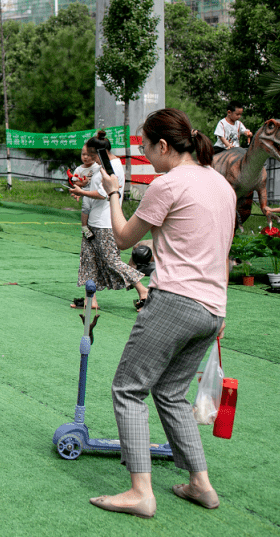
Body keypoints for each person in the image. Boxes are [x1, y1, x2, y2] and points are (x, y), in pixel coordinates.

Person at [88, 108, 235, 519]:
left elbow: (120, 238)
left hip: (174, 301)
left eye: (147, 149)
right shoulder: (221, 185)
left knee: (128, 389)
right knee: (171, 392)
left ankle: (140, 491)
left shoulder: (167, 184)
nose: (147, 157)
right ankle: (200, 485)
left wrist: (113, 192)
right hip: (213, 309)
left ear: (164, 146)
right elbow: (219, 252)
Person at [69, 131, 148, 311]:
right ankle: (91, 299)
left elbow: (104, 194)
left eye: (92, 155)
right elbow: (92, 184)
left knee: (111, 261)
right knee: (88, 260)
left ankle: (143, 290)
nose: (89, 158)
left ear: (100, 153)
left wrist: (82, 193)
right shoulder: (103, 164)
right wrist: (80, 187)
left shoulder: (113, 168)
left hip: (106, 223)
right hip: (92, 222)